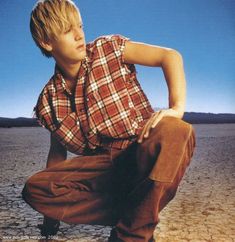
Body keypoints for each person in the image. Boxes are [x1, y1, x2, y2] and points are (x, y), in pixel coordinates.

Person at [22, 0, 196, 241]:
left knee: (177, 130)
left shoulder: (107, 49)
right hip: (105, 168)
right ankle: (137, 216)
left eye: (79, 26)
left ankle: (130, 234)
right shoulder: (49, 101)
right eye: (66, 30)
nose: (78, 35)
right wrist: (50, 217)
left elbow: (170, 56)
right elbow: (56, 154)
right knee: (36, 188)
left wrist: (176, 108)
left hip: (142, 146)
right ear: (46, 42)